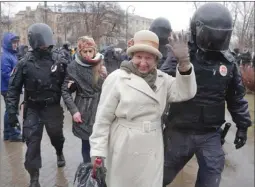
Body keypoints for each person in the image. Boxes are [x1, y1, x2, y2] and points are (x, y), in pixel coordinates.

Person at [89, 30, 197, 187]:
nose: (143, 62)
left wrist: (185, 63)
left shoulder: (162, 79)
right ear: (132, 56)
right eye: (139, 57)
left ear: (156, 59)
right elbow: (103, 119)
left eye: (148, 58)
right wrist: (98, 152)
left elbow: (185, 92)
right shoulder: (117, 78)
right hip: (124, 143)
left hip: (152, 143)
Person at [163, 3, 252, 187]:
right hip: (180, 131)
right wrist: (180, 61)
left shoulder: (228, 62)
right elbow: (162, 84)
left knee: (211, 178)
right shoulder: (182, 52)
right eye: (211, 35)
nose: (214, 40)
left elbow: (236, 97)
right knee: (159, 176)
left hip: (210, 134)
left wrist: (243, 125)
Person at [6, 23, 68, 187]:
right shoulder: (24, 63)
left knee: (56, 136)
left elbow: (69, 81)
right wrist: (12, 113)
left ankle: (59, 151)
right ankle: (34, 177)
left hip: (53, 107)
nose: (44, 45)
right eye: (41, 42)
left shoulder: (59, 60)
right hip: (33, 108)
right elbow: (13, 89)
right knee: (32, 143)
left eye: (46, 42)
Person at [61, 36, 107, 163]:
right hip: (84, 110)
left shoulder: (100, 62)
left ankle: (100, 171)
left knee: (101, 143)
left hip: (101, 107)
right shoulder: (73, 67)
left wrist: (106, 75)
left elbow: (109, 87)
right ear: (79, 51)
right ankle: (87, 172)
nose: (88, 55)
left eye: (90, 51)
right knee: (86, 144)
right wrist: (74, 111)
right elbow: (65, 90)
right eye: (84, 51)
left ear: (94, 50)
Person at [1, 32, 23, 142]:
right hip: (9, 89)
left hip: (10, 88)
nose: (15, 44)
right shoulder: (6, 56)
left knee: (8, 110)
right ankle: (14, 134)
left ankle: (7, 133)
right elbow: (6, 74)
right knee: (12, 110)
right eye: (13, 42)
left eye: (16, 42)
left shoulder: (12, 54)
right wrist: (16, 84)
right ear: (7, 43)